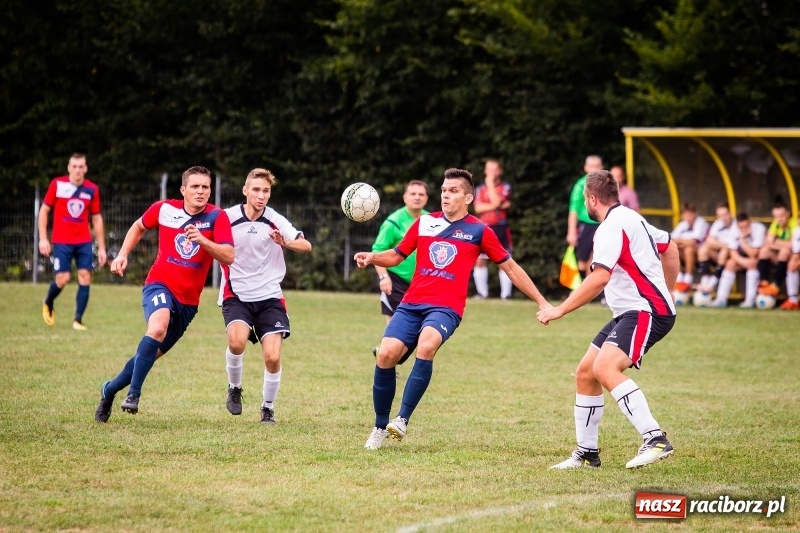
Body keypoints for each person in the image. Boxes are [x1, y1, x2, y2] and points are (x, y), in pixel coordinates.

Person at [354, 168, 551, 450]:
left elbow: (510, 268)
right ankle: (379, 426)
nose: (446, 195)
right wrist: (373, 257)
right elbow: (397, 256)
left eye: (453, 191)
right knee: (385, 354)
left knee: (427, 345)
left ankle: (402, 419)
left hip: (446, 307)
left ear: (468, 197)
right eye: (444, 191)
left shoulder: (479, 230)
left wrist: (541, 301)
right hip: (411, 303)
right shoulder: (424, 223)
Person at [538, 169, 679, 470]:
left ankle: (655, 438)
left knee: (604, 367)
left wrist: (560, 309)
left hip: (645, 311)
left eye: (584, 200)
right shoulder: (632, 217)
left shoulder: (610, 227)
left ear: (591, 199)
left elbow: (599, 277)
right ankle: (587, 453)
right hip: (632, 310)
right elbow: (670, 247)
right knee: (586, 372)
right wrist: (668, 290)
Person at [94, 166, 234, 422]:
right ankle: (134, 394)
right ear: (183, 189)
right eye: (195, 186)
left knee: (146, 357)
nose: (200, 191)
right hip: (159, 285)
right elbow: (139, 226)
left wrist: (203, 240)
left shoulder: (217, 217)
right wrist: (122, 254)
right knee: (157, 327)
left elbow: (229, 255)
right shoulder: (164, 209)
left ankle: (109, 390)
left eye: (205, 187)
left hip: (188, 303)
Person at [219, 169, 312, 424]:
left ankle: (267, 408)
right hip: (236, 294)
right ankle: (234, 388)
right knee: (236, 342)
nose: (261, 196)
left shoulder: (275, 219)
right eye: (256, 190)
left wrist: (285, 242)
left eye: (266, 191)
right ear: (245, 191)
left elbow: (306, 245)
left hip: (269, 296)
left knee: (272, 356)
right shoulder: (226, 218)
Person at [38, 153, 107, 330]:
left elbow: (96, 218)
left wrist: (101, 248)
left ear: (86, 168)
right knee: (63, 278)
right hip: (62, 240)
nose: (77, 170)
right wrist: (43, 239)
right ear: (69, 168)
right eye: (74, 166)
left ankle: (78, 320)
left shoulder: (92, 189)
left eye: (81, 166)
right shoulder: (57, 185)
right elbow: (44, 211)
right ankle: (48, 300)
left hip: (84, 241)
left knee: (85, 276)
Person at [372, 180, 429, 325]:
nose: (417, 197)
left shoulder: (431, 221)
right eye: (413, 194)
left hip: (421, 282)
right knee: (396, 324)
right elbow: (377, 250)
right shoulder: (393, 222)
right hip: (395, 280)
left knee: (419, 326)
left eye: (421, 194)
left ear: (426, 198)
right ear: (405, 198)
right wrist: (383, 277)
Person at [472, 159, 513, 299]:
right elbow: (478, 208)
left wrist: (490, 185)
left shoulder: (505, 187)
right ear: (485, 171)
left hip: (501, 227)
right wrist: (496, 205)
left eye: (494, 169)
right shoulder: (479, 188)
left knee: (505, 261)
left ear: (500, 171)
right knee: (480, 260)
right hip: (484, 227)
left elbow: (496, 202)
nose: (492, 173)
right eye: (489, 169)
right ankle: (482, 293)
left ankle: (506, 295)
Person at [709, 213, 766, 308]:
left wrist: (742, 240)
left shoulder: (759, 228)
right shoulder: (734, 230)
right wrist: (744, 262)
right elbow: (732, 252)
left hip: (760, 258)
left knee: (752, 262)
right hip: (743, 258)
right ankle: (721, 299)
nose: (744, 229)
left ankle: (750, 300)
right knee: (730, 263)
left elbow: (754, 254)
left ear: (750, 222)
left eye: (746, 226)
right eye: (741, 227)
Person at [566, 155, 604, 282]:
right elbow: (573, 209)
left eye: (597, 166)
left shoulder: (606, 185)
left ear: (602, 167)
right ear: (586, 168)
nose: (594, 169)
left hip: (602, 224)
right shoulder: (581, 185)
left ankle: (592, 286)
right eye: (592, 166)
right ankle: (582, 284)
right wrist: (571, 232)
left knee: (596, 258)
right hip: (586, 224)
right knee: (582, 259)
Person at [755, 202, 796, 297]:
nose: (779, 219)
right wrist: (783, 245)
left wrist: (775, 242)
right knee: (764, 251)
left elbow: (792, 245)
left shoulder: (794, 224)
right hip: (780, 258)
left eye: (782, 216)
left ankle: (776, 285)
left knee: (784, 252)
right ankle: (764, 282)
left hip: (793, 258)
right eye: (776, 217)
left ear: (788, 214)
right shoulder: (775, 224)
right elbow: (767, 242)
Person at [696, 202, 736, 293]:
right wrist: (723, 245)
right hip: (719, 255)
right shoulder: (718, 223)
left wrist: (720, 245)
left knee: (725, 251)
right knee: (703, 249)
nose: (723, 218)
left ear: (730, 213)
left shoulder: (736, 224)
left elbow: (732, 246)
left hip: (733, 255)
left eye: (725, 215)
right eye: (720, 215)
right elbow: (709, 241)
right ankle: (704, 281)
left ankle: (713, 282)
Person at [670, 202, 709, 291]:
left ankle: (688, 279)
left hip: (702, 255)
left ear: (695, 213)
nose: (688, 217)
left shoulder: (701, 223)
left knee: (689, 249)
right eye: (685, 215)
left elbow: (693, 242)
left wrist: (680, 241)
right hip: (685, 254)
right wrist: (682, 242)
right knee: (672, 248)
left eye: (690, 214)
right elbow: (671, 240)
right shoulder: (683, 224)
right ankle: (679, 278)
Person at [780, 226, 800, 310]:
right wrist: (795, 262)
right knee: (792, 265)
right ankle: (793, 300)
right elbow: (796, 252)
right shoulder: (797, 231)